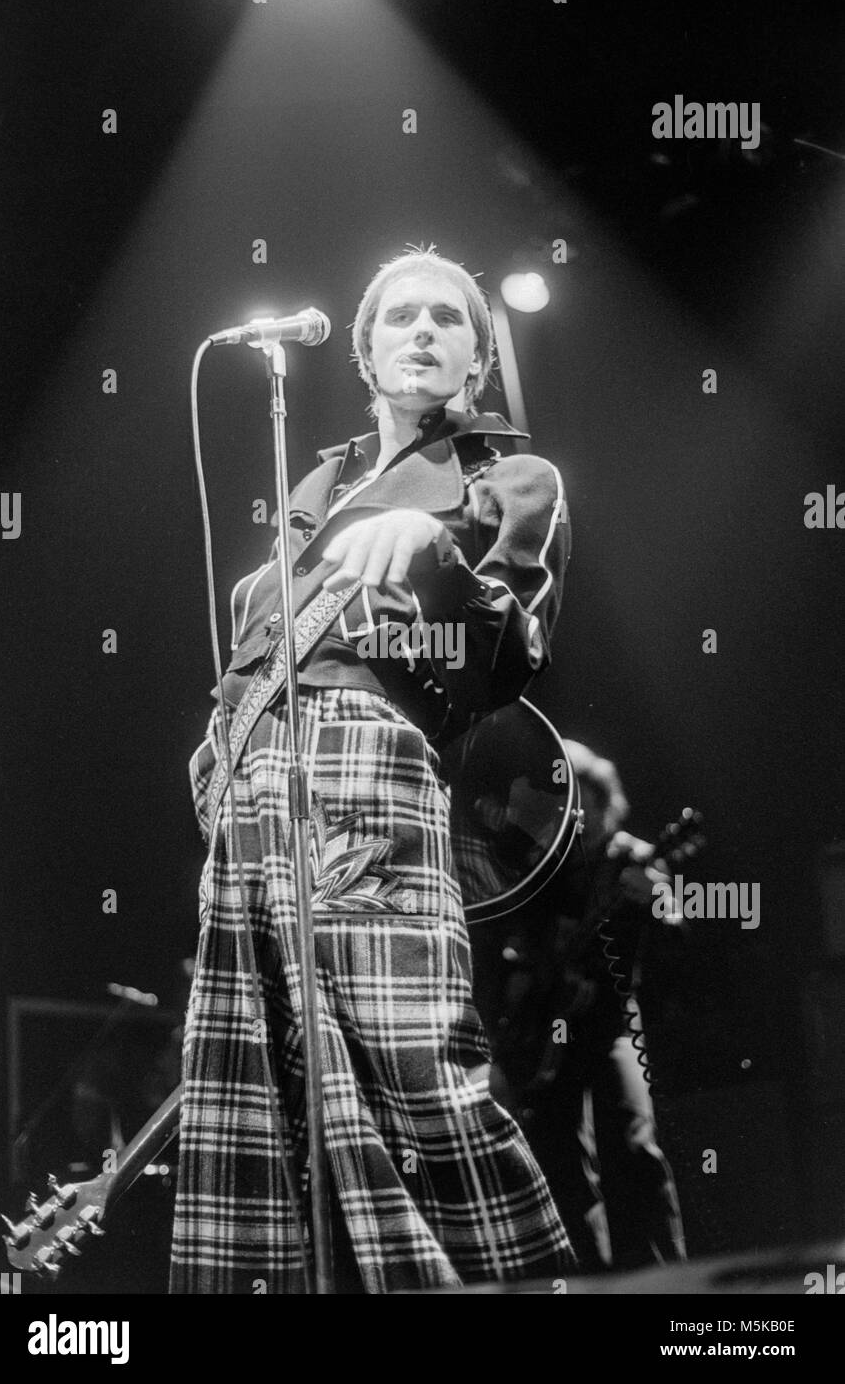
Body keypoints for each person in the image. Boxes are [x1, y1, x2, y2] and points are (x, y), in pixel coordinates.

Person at [170, 247, 573, 1293]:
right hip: (256, 783)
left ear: (477, 360)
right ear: (364, 351)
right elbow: (262, 629)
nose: (424, 329)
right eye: (401, 317)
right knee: (257, 1102)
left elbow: (513, 659)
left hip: (371, 768)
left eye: (449, 318)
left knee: (420, 1075)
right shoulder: (315, 482)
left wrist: (431, 547)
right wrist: (223, 734)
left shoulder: (509, 477)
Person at [471, 741, 687, 1272]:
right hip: (552, 1027)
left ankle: (666, 1280)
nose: (579, 811)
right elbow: (511, 943)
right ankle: (586, 1277)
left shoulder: (632, 857)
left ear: (604, 799)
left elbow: (678, 922)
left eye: (587, 799)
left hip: (612, 1021)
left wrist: (657, 900)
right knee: (564, 1160)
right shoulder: (545, 869)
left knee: (635, 1143)